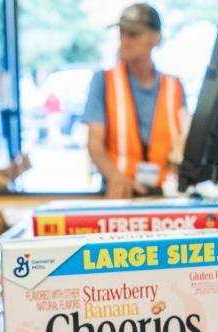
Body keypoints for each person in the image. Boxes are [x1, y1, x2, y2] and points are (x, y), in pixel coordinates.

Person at [83, 3, 190, 198]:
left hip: (164, 194)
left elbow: (183, 142)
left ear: (156, 38)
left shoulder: (175, 87)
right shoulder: (103, 82)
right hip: (121, 193)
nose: (124, 41)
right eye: (122, 33)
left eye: (133, 34)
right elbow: (94, 144)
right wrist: (115, 177)